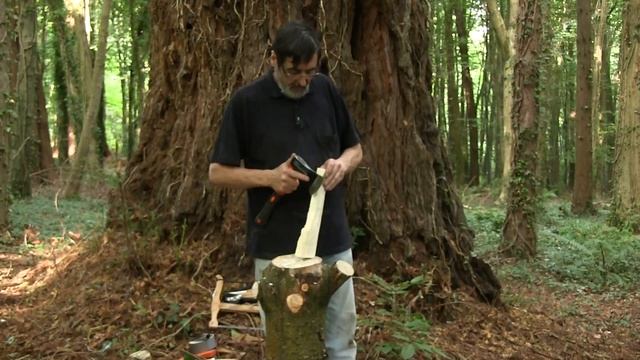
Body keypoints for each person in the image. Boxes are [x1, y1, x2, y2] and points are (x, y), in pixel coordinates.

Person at [208, 21, 362, 360]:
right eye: (295, 71)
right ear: (273, 59)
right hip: (275, 244)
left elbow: (356, 150)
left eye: (310, 71)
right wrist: (270, 178)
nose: (304, 80)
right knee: (282, 342)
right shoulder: (247, 103)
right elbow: (218, 173)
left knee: (341, 338)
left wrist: (342, 164)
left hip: (332, 239)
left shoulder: (325, 91)